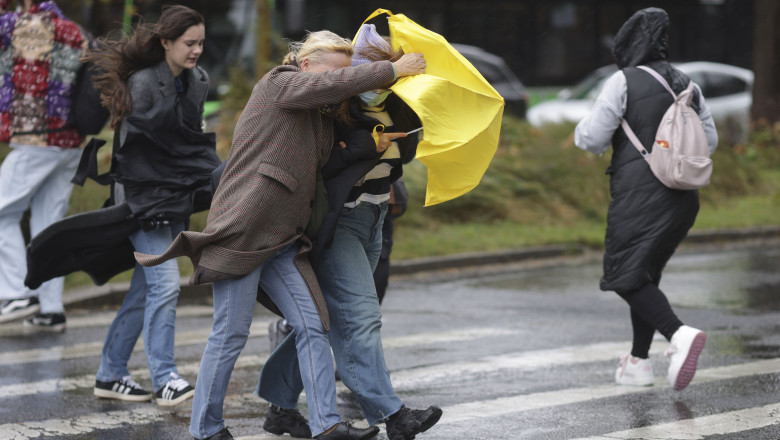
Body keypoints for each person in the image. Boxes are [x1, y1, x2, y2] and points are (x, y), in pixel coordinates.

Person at [135, 30, 426, 440]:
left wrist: (369, 145)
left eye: (345, 73)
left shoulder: (320, 119)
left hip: (283, 240)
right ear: (306, 64)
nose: (340, 83)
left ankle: (327, 425)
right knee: (231, 334)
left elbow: (329, 165)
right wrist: (392, 70)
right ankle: (206, 429)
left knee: (314, 326)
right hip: (244, 231)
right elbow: (330, 86)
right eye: (333, 72)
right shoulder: (279, 83)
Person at [257, 24, 442, 440]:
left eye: (385, 66)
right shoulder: (333, 106)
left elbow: (405, 153)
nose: (377, 76)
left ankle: (280, 407)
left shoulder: (395, 104)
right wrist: (366, 146)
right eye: (370, 67)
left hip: (376, 217)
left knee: (330, 320)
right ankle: (393, 415)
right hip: (342, 220)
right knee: (361, 317)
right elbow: (323, 166)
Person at [573, 7, 717, 391]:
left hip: (640, 198)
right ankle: (638, 362)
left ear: (628, 45)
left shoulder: (623, 81)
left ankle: (679, 334)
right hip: (683, 198)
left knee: (623, 274)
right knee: (643, 274)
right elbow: (710, 141)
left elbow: (591, 139)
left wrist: (583, 127)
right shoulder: (688, 84)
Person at [86, 5, 220, 406]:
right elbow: (132, 152)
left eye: (201, 43)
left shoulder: (198, 81)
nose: (196, 50)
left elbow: (189, 142)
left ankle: (110, 374)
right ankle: (166, 379)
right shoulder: (143, 83)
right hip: (142, 198)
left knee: (145, 291)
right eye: (189, 43)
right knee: (163, 285)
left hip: (175, 197)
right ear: (165, 42)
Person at [0, 0, 92, 330]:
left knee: (2, 213)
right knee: (48, 228)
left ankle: (16, 293)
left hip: (35, 138)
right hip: (71, 143)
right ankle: (50, 309)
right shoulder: (75, 31)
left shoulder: (16, 25)